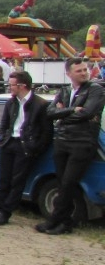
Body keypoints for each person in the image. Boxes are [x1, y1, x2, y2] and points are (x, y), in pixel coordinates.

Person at [34, 58, 105, 235]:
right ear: (69, 73)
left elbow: (87, 113)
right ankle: (64, 221)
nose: (84, 73)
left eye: (85, 70)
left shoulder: (95, 89)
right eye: (79, 70)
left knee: (68, 183)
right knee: (61, 182)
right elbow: (49, 113)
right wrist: (73, 110)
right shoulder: (64, 91)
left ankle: (55, 220)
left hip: (82, 142)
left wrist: (63, 114)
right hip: (62, 141)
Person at [0, 70, 52, 226]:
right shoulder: (11, 102)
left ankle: (5, 212)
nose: (9, 87)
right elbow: (4, 124)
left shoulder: (41, 105)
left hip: (25, 146)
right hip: (8, 143)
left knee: (17, 182)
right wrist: (1, 140)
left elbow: (46, 132)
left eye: (12, 85)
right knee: (3, 180)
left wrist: (34, 148)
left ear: (22, 86)